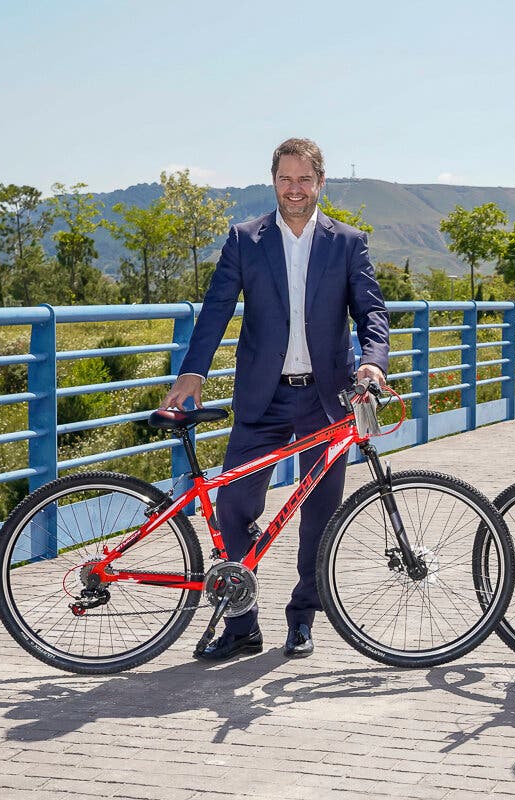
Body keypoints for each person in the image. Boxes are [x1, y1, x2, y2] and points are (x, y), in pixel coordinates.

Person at [161, 137, 389, 662]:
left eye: (303, 179)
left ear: (320, 182)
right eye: (285, 179)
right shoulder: (246, 239)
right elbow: (217, 308)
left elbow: (372, 313)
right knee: (234, 504)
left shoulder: (348, 242)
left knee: (320, 515)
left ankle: (302, 618)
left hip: (327, 400)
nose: (294, 189)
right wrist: (193, 372)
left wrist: (373, 361)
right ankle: (242, 625)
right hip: (262, 398)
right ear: (274, 181)